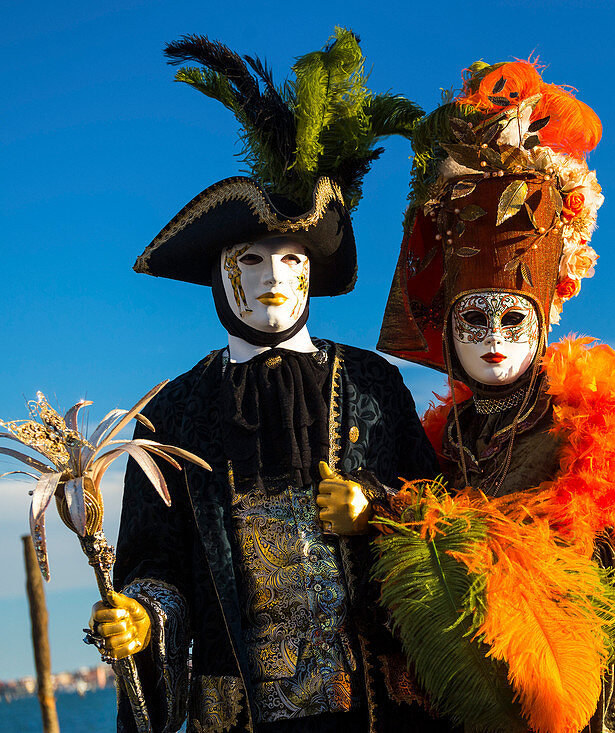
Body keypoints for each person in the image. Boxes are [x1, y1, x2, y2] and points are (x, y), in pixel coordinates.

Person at [376, 60, 615, 733]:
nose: (495, 340)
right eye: (475, 320)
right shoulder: (439, 444)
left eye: (512, 321)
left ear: (541, 319)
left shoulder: (589, 423)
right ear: (447, 329)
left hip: (589, 699)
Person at [87, 30, 458, 733]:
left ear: (313, 269)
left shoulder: (374, 384)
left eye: (291, 258)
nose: (274, 279)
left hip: (378, 710)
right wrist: (142, 615)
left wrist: (374, 506)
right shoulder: (171, 413)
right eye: (252, 258)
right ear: (218, 271)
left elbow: (441, 509)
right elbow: (157, 564)